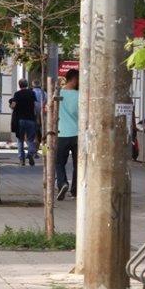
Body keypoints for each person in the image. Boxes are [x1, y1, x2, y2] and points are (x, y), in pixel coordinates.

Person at [56, 69, 79, 200]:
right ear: (75, 79)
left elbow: (50, 110)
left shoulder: (58, 94)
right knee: (78, 165)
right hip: (77, 134)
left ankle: (62, 183)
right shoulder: (80, 95)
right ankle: (75, 191)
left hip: (61, 133)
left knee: (59, 163)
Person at [11, 79, 37, 166]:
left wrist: (11, 104)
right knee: (31, 139)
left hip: (20, 120)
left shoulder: (17, 94)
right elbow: (35, 105)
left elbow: (13, 106)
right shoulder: (32, 93)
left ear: (19, 85)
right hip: (31, 119)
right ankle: (30, 154)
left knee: (20, 140)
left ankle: (22, 160)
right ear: (27, 84)